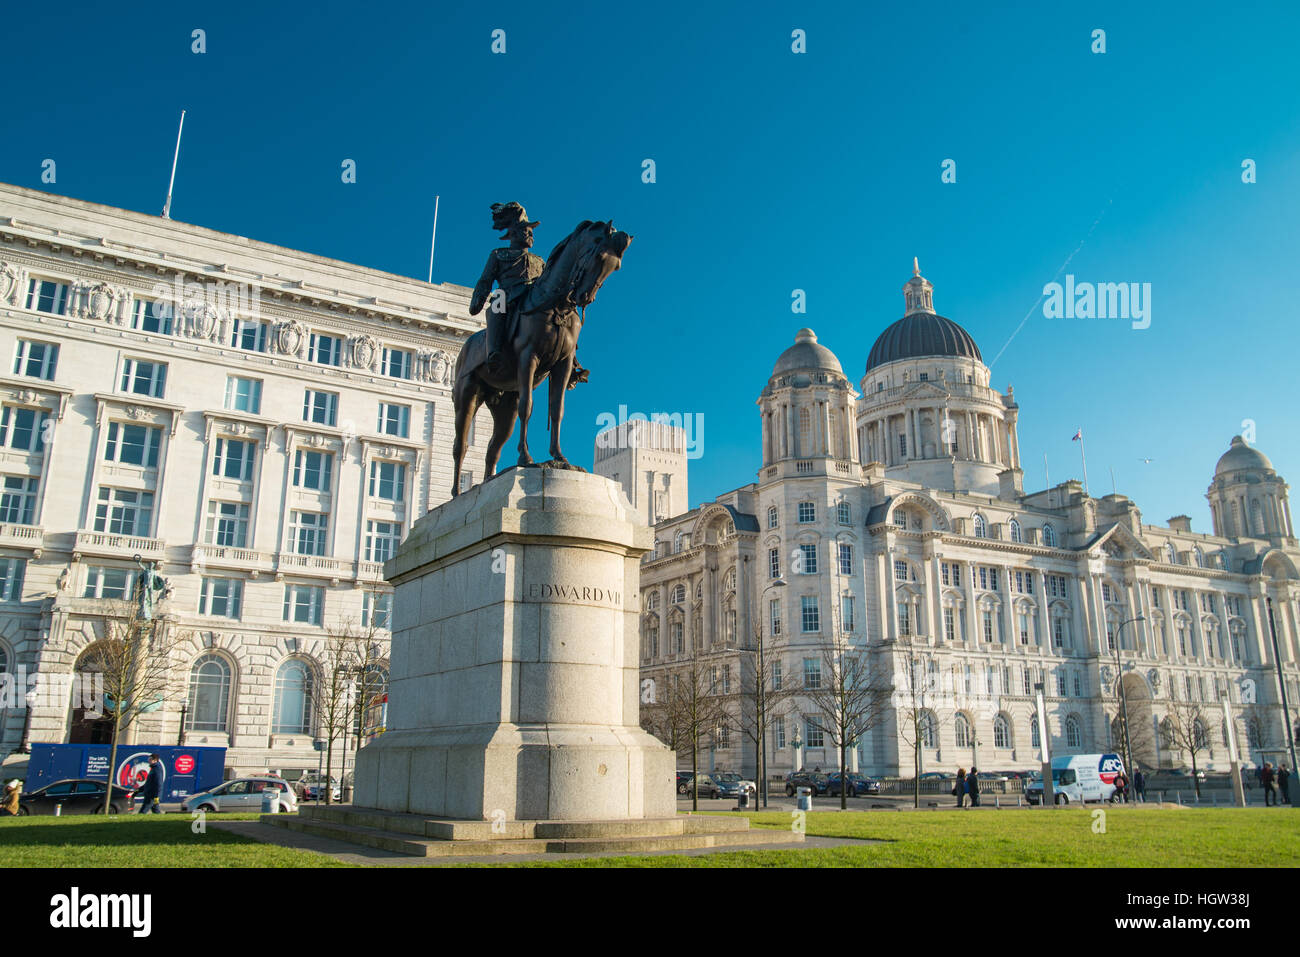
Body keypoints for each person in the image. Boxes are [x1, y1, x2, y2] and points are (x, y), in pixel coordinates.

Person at [468, 202, 544, 374]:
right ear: (514, 233)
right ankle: (494, 351)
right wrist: (477, 301)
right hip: (507, 294)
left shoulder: (539, 261)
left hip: (531, 297)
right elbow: (485, 280)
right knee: (497, 304)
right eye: (526, 230)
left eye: (531, 231)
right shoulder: (499, 254)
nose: (531, 234)